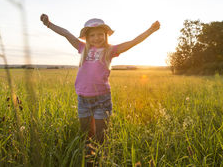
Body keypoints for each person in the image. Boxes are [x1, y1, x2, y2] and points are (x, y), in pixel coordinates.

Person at [40, 14, 160, 147]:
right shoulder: (83, 48)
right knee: (86, 136)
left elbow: (133, 42)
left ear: (105, 35)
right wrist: (49, 24)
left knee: (101, 137)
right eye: (92, 35)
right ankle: (89, 159)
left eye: (100, 34)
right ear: (87, 37)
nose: (96, 38)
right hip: (83, 99)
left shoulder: (110, 50)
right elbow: (66, 33)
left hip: (102, 100)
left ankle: (101, 157)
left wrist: (150, 30)